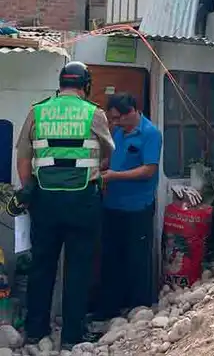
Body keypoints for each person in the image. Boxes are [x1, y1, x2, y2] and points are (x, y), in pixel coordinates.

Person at [15, 61, 114, 347]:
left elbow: (23, 157)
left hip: (45, 200)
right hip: (83, 200)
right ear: (85, 85)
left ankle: (36, 331)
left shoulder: (38, 111)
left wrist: (29, 190)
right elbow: (106, 154)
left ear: (61, 83)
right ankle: (71, 336)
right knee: (79, 267)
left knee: (42, 265)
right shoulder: (94, 114)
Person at [96, 92, 161, 320]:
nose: (114, 123)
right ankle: (109, 309)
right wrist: (100, 166)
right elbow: (113, 159)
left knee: (137, 258)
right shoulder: (118, 132)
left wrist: (115, 176)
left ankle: (139, 308)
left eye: (117, 118)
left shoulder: (151, 133)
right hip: (112, 205)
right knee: (110, 257)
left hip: (138, 208)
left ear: (131, 112)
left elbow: (149, 169)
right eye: (112, 119)